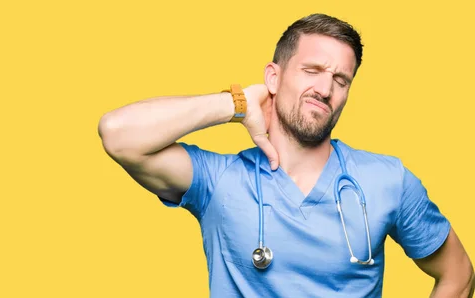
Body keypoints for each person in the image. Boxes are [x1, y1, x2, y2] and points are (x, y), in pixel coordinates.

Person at [98, 13, 474, 297]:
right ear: (273, 78)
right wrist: (236, 103)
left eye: (341, 80)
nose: (325, 89)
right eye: (312, 70)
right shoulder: (219, 181)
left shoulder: (387, 180)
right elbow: (118, 134)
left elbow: (458, 273)